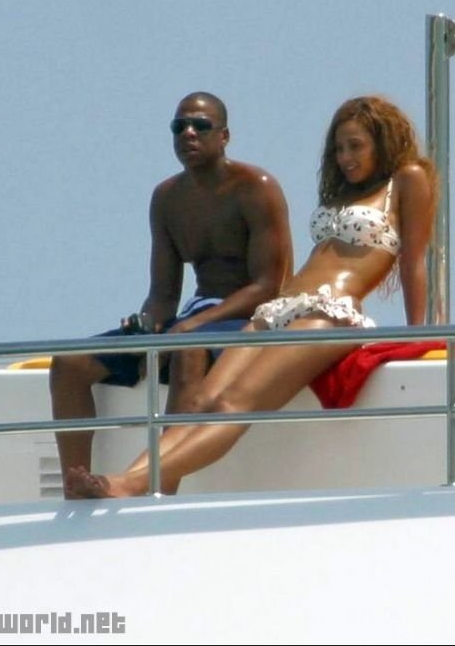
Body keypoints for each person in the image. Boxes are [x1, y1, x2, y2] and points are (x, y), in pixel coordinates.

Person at [66, 94, 438, 499]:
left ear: (383, 141)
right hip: (278, 309)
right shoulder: (347, 193)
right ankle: (131, 479)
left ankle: (129, 484)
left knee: (234, 404)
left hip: (331, 312)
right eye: (339, 148)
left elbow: (413, 262)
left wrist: (418, 332)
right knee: (203, 401)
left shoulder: (408, 178)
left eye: (356, 146)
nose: (345, 157)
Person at [51, 91, 293, 498]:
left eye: (201, 125)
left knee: (186, 349)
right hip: (195, 320)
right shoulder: (167, 198)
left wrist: (192, 326)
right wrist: (147, 324)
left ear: (224, 136)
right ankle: (75, 488)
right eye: (179, 126)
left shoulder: (257, 188)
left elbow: (268, 286)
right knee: (69, 363)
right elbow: (163, 295)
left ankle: (159, 492)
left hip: (250, 322)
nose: (188, 133)